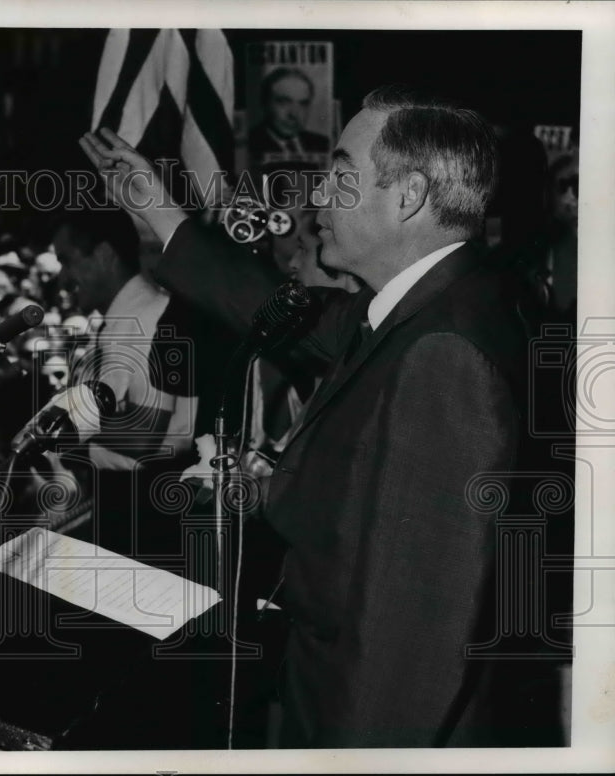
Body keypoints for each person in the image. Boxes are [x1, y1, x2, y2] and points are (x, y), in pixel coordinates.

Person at [80, 85, 549, 747]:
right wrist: (157, 208)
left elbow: (411, 637)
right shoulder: (447, 304)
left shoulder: (446, 354)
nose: (317, 196)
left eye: (339, 173)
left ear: (409, 196)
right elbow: (274, 310)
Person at [248, 67, 331, 159]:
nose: (294, 114)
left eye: (303, 104)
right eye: (284, 102)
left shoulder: (324, 144)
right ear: (265, 103)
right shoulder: (248, 145)